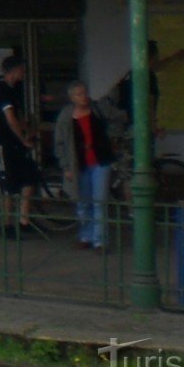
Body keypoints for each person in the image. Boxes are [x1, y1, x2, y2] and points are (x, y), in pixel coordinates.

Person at [53, 80, 117, 250]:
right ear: (72, 98)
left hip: (100, 161)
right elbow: (59, 143)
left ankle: (100, 241)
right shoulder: (66, 116)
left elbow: (113, 118)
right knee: (83, 202)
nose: (83, 97)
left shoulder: (96, 109)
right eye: (79, 94)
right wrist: (65, 166)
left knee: (99, 201)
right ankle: (86, 235)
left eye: (85, 93)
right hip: (79, 164)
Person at [0, 52, 40, 236]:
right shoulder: (1, 91)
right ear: (12, 71)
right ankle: (6, 226)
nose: (24, 73)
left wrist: (27, 130)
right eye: (22, 69)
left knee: (29, 177)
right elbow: (10, 119)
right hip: (2, 142)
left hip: (14, 144)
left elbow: (18, 117)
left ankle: (24, 221)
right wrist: (23, 138)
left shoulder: (14, 89)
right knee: (7, 184)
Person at [107, 41, 184, 140]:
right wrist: (155, 129)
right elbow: (149, 103)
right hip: (137, 130)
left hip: (122, 127)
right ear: (151, 58)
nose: (158, 60)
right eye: (156, 57)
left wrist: (175, 57)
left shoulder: (132, 72)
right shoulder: (148, 77)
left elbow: (158, 66)